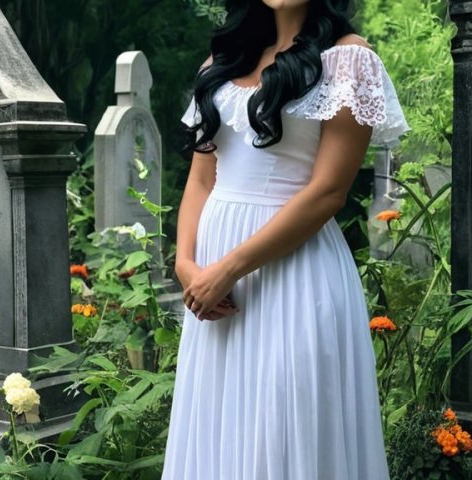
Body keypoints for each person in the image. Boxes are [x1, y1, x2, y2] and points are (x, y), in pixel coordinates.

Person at [162, 0, 410, 478]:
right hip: (212, 283)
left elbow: (328, 192)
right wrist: (186, 263)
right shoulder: (221, 63)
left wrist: (228, 268)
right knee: (220, 425)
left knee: (286, 427)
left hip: (294, 274)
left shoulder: (349, 59)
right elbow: (200, 180)